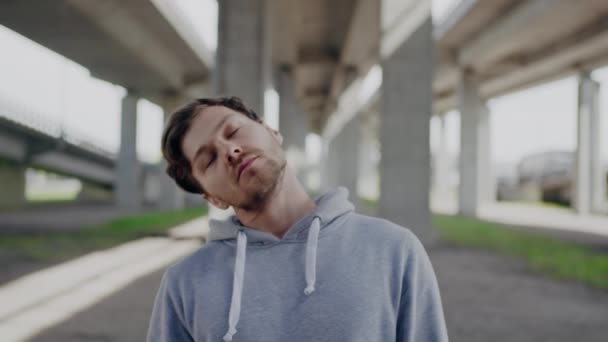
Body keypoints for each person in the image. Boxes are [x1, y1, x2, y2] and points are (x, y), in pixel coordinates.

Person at [147, 96, 448, 342]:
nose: (230, 151)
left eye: (233, 131)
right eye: (209, 159)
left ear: (271, 130)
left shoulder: (393, 249)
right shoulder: (184, 284)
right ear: (212, 198)